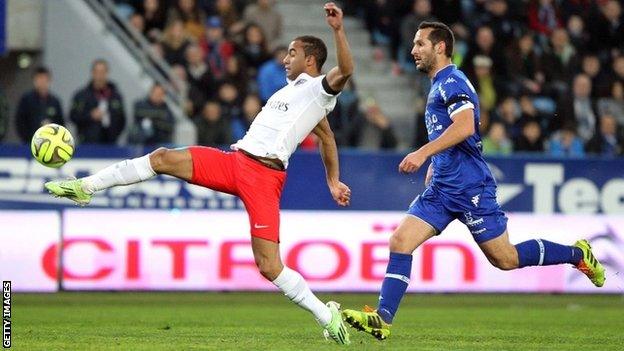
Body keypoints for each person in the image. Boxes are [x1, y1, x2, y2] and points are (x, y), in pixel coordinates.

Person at [45, 2, 353, 345]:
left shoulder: (319, 90)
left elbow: (346, 71)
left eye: (292, 53)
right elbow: (327, 138)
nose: (285, 59)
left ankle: (328, 315)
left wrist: (338, 30)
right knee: (162, 157)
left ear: (310, 60)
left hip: (264, 177)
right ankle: (85, 187)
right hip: (235, 161)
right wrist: (332, 179)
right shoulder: (295, 92)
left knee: (269, 266)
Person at [342, 21, 605, 341]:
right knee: (400, 241)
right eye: (413, 44)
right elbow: (448, 132)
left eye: (420, 44)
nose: (413, 50)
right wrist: (436, 161)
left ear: (440, 47)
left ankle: (578, 254)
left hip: (470, 188)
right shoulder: (438, 83)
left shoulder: (453, 81)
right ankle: (382, 319)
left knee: (505, 259)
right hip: (442, 187)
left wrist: (424, 152)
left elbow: (465, 126)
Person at [70, 59, 126, 144]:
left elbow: (122, 119)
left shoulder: (115, 96)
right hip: (87, 143)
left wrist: (115, 134)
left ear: (107, 73)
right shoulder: (81, 95)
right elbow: (73, 116)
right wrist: (90, 116)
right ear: (92, 73)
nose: (100, 76)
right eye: (97, 72)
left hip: (111, 143)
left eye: (102, 72)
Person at [15, 66, 64, 143]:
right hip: (30, 143)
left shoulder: (55, 101)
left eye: (44, 79)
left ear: (49, 80)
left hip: (51, 143)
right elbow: (20, 121)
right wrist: (28, 138)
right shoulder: (26, 100)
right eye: (39, 78)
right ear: (34, 80)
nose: (42, 82)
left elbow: (61, 122)